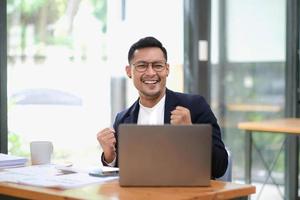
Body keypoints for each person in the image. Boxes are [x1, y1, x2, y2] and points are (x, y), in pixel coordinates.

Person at [97, 36, 228, 178]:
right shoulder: (122, 118)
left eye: (158, 65)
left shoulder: (194, 106)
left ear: (167, 69)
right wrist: (110, 157)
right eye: (142, 66)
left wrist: (190, 134)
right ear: (129, 71)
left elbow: (220, 167)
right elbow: (123, 175)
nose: (151, 73)